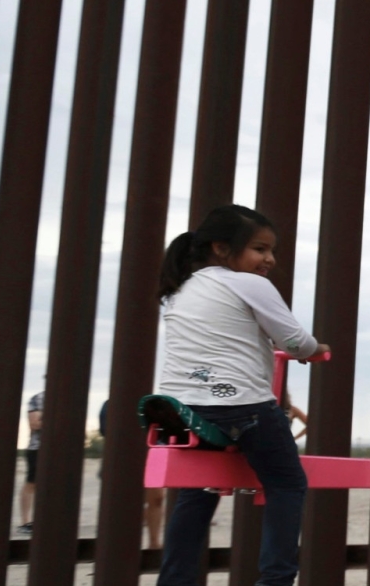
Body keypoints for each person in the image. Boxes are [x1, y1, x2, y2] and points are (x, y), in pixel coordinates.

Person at [154, 205, 329, 586]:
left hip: (184, 410)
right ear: (221, 248)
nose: (270, 259)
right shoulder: (248, 283)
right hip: (242, 407)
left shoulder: (180, 289)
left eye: (271, 251)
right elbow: (294, 340)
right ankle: (275, 579)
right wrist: (316, 349)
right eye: (259, 249)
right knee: (286, 483)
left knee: (198, 491)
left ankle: (174, 580)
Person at [98, 399, 167, 550]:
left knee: (157, 499)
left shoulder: (152, 403)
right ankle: (122, 545)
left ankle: (154, 543)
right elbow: (105, 430)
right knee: (127, 503)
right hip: (122, 458)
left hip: (152, 456)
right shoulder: (111, 404)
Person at [17, 389, 41, 536]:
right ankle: (26, 522)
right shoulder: (38, 398)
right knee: (31, 483)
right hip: (37, 448)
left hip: (62, 448)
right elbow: (35, 424)